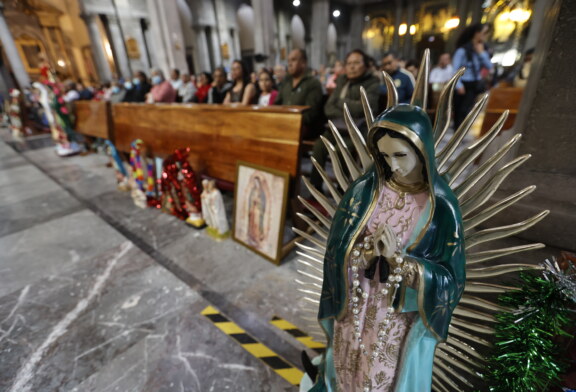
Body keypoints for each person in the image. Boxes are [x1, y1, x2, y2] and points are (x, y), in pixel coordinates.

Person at [309, 102, 465, 392]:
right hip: (355, 300)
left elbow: (451, 279)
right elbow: (336, 250)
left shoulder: (439, 206)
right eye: (384, 156)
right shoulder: (365, 191)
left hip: (394, 317)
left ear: (422, 151)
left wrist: (400, 262)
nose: (393, 165)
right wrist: (365, 254)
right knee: (345, 368)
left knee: (378, 378)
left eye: (401, 155)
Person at [310, 49, 380, 190]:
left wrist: (341, 101)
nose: (352, 67)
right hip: (337, 127)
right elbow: (328, 107)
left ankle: (342, 192)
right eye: (349, 63)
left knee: (342, 150)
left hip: (357, 131)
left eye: (356, 63)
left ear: (365, 65)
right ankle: (315, 189)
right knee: (318, 147)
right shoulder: (342, 80)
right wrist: (349, 108)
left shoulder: (372, 83)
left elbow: (364, 109)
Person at [274, 48, 324, 137]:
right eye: (288, 60)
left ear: (303, 63)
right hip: (283, 124)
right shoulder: (286, 82)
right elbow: (277, 104)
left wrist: (289, 120)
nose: (289, 64)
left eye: (293, 60)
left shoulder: (313, 83)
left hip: (303, 127)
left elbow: (310, 114)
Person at [452, 23, 493, 129]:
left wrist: (481, 53)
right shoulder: (463, 50)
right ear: (476, 33)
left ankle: (461, 132)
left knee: (467, 110)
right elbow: (454, 69)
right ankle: (457, 132)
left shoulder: (483, 50)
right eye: (484, 33)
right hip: (462, 83)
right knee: (459, 110)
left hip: (474, 84)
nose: (485, 35)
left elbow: (489, 66)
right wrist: (458, 85)